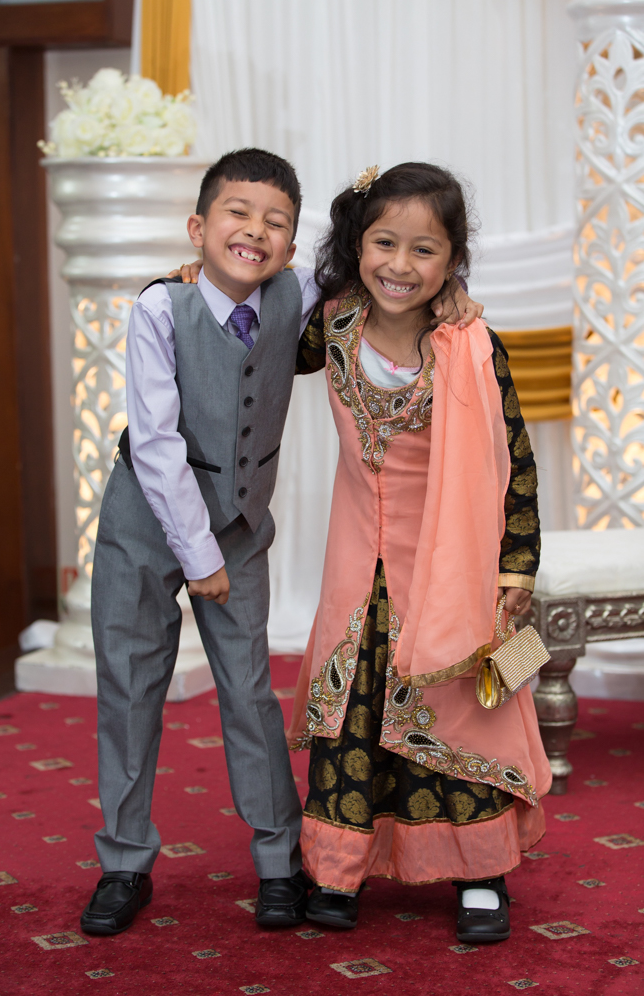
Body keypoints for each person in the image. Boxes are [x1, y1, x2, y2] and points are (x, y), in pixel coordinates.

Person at [81, 147, 483, 937]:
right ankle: (124, 861)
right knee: (129, 689)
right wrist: (198, 559)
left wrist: (453, 294)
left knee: (249, 691)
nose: (253, 232)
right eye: (236, 214)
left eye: (274, 223)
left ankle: (277, 859)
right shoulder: (158, 308)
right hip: (143, 523)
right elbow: (155, 444)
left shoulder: (299, 298)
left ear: (292, 246)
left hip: (237, 526)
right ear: (198, 227)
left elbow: (387, 281)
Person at [286, 162, 551, 941]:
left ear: (452, 261)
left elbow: (514, 460)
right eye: (383, 243)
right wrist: (198, 277)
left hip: (451, 570)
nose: (399, 265)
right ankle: (338, 868)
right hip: (356, 570)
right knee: (352, 714)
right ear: (356, 244)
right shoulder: (331, 327)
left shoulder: (470, 343)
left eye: (424, 250)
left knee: (461, 713)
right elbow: (250, 328)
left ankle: (480, 874)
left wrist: (515, 569)